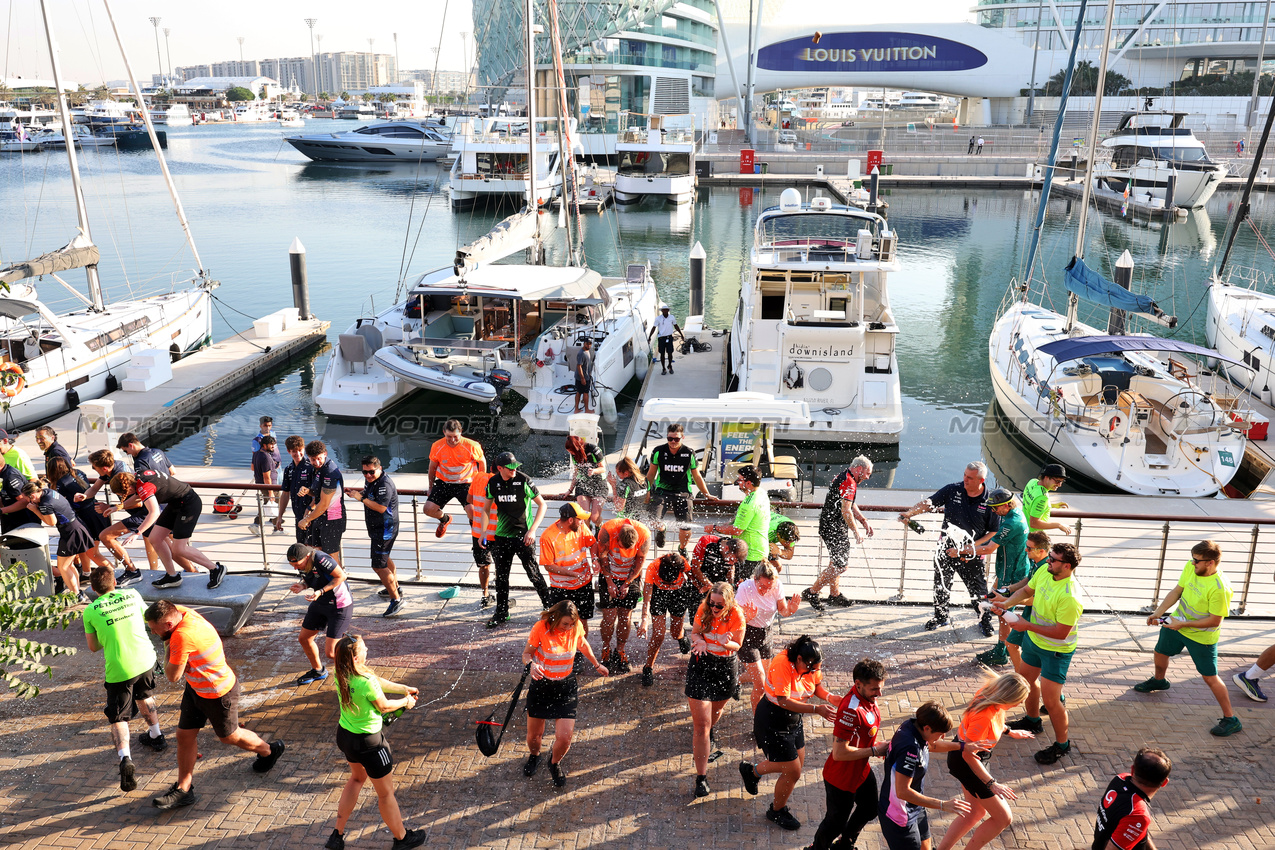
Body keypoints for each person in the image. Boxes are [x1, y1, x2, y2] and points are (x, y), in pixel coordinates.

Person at [144, 600, 285, 810]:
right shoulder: (181, 612)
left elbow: (172, 676)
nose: (154, 634)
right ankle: (184, 789)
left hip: (217, 693)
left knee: (230, 737)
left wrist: (166, 646)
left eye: (155, 630)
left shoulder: (181, 637)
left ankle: (269, 750)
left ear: (169, 626)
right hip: (196, 688)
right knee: (184, 735)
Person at [325, 634, 425, 850]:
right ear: (355, 658)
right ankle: (402, 839)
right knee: (386, 793)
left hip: (346, 736)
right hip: (370, 745)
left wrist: (402, 688)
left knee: (357, 778)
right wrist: (406, 702)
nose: (367, 649)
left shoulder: (340, 672)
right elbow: (384, 706)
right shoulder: (365, 682)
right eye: (364, 648)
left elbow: (375, 681)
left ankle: (337, 835)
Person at [1134, 539, 1241, 737]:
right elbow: (1177, 591)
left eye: (1197, 561)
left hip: (1201, 637)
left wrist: (1182, 624)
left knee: (1210, 678)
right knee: (1160, 652)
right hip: (1177, 623)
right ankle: (1159, 681)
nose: (1192, 563)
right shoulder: (1191, 567)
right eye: (1192, 559)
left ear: (1210, 562)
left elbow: (1215, 621)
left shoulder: (1220, 588)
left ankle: (1231, 719)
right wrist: (1159, 612)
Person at [738, 634, 841, 832]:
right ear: (799, 659)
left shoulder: (810, 664)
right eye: (810, 668)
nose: (813, 672)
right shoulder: (782, 663)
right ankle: (776, 810)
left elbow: (816, 686)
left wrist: (830, 697)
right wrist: (816, 709)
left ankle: (752, 772)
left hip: (794, 718)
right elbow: (784, 701)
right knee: (792, 770)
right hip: (773, 718)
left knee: (796, 766)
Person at [993, 542, 1083, 765]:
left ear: (1067, 566)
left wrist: (1026, 626)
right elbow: (1026, 591)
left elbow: (1061, 633)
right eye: (1050, 557)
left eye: (1053, 559)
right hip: (1034, 642)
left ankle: (1062, 745)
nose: (1048, 561)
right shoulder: (1045, 570)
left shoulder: (1070, 597)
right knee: (1026, 682)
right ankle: (1033, 721)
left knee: (1052, 702)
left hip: (1056, 651)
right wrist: (1005, 605)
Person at [83, 565, 162, 792]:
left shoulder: (90, 611)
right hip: (146, 658)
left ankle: (125, 758)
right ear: (114, 582)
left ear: (93, 588)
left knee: (118, 716)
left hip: (119, 668)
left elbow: (93, 647)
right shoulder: (132, 594)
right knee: (145, 695)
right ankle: (156, 736)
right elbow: (148, 619)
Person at [935, 672, 1034, 850]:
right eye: (1019, 700)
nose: (1020, 704)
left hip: (970, 759)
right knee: (1003, 818)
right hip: (968, 763)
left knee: (975, 812)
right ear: (1007, 697)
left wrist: (1010, 731)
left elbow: (996, 717)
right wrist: (992, 783)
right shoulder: (984, 717)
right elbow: (968, 754)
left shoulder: (988, 694)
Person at [899, 462, 1000, 634]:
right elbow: (929, 503)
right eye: (964, 475)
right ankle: (941, 617)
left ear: (981, 480)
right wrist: (910, 513)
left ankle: (985, 620)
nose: (965, 480)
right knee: (941, 585)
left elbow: (993, 531)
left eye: (970, 477)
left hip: (971, 553)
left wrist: (971, 546)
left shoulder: (990, 500)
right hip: (945, 549)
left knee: (978, 590)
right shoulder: (953, 489)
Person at [520, 600, 608, 787]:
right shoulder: (541, 628)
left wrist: (596, 664)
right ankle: (535, 755)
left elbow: (582, 645)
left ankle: (554, 763)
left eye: (571, 624)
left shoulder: (575, 627)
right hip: (541, 686)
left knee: (565, 737)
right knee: (534, 737)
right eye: (564, 624)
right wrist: (531, 665)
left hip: (566, 686)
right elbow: (526, 654)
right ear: (555, 618)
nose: (568, 628)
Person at [809, 658, 889, 850]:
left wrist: (875, 747)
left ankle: (845, 844)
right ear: (858, 685)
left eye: (880, 688)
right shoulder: (851, 710)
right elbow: (839, 753)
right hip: (841, 777)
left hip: (860, 770)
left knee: (870, 809)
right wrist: (873, 750)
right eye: (874, 689)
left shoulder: (867, 699)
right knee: (834, 823)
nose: (879, 693)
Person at [108, 468, 226, 591]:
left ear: (129, 489)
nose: (125, 497)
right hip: (176, 504)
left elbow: (154, 513)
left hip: (189, 505)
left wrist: (137, 532)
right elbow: (138, 496)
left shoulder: (144, 487)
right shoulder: (137, 477)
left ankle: (216, 568)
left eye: (124, 495)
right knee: (155, 538)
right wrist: (119, 507)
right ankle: (172, 576)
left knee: (179, 549)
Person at [877, 702, 971, 850]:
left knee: (925, 845)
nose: (943, 737)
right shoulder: (910, 747)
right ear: (927, 728)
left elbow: (931, 745)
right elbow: (902, 791)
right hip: (900, 816)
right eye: (940, 733)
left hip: (916, 807)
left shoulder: (913, 725)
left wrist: (961, 746)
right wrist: (942, 805)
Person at [686, 581, 746, 798]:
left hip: (725, 667)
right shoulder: (704, 608)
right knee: (701, 725)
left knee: (715, 713)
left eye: (719, 605)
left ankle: (709, 732)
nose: (714, 608)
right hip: (701, 663)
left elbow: (737, 645)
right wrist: (700, 641)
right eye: (712, 603)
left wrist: (723, 643)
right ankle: (701, 778)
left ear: (728, 603)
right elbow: (694, 633)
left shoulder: (737, 615)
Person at [483, 451, 549, 628]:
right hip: (502, 539)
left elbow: (543, 504)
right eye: (510, 468)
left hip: (524, 537)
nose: (514, 471)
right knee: (502, 578)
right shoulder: (493, 482)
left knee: (533, 574)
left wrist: (533, 531)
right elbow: (485, 509)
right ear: (500, 468)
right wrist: (484, 532)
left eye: (515, 467)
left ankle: (549, 608)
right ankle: (502, 611)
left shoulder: (523, 480)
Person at [971, 488, 1031, 667]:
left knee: (1003, 611)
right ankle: (1005, 647)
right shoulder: (1017, 512)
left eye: (995, 508)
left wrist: (962, 551)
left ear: (1006, 505)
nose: (993, 511)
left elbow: (989, 549)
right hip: (1014, 567)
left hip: (1011, 571)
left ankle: (1002, 651)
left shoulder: (1010, 523)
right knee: (1001, 607)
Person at [805, 457, 874, 611]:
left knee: (835, 562)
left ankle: (834, 595)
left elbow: (849, 502)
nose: (868, 477)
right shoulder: (849, 481)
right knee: (841, 565)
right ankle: (812, 592)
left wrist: (863, 521)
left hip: (831, 525)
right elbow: (846, 510)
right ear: (859, 469)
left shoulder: (846, 476)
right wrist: (857, 532)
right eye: (867, 473)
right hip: (833, 527)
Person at [24, 479, 108, 603]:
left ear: (32, 495)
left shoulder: (44, 504)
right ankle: (77, 591)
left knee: (63, 567)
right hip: (77, 526)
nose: (31, 502)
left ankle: (76, 595)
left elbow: (51, 522)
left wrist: (35, 510)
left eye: (30, 500)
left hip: (70, 533)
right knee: (68, 565)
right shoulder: (48, 492)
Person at [80, 449, 158, 580]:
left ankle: (132, 571)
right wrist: (84, 496)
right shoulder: (111, 468)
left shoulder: (121, 476)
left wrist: (111, 507)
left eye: (94, 467)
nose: (93, 469)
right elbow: (94, 488)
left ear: (104, 468)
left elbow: (138, 502)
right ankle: (155, 574)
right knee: (162, 545)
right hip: (145, 513)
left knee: (106, 536)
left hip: (144, 513)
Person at [737, 562, 801, 711]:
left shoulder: (777, 585)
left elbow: (783, 611)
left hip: (766, 634)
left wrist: (791, 610)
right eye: (763, 586)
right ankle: (758, 723)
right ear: (755, 579)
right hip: (747, 636)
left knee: (765, 677)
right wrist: (747, 617)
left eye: (769, 587)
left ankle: (735, 680)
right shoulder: (745, 588)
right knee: (760, 686)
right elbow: (735, 620)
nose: (766, 590)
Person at [287, 542, 353, 686]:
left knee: (331, 653)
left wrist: (321, 591)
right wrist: (303, 585)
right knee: (304, 638)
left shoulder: (322, 559)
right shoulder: (302, 563)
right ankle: (318, 670)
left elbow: (341, 576)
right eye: (293, 565)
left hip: (339, 605)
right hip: (320, 601)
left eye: (297, 564)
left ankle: (357, 668)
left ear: (307, 556)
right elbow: (312, 578)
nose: (295, 568)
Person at [594, 516, 651, 672]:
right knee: (609, 617)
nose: (625, 552)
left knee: (625, 616)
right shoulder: (607, 531)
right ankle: (606, 649)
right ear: (617, 537)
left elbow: (640, 561)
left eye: (629, 549)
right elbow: (602, 558)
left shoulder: (644, 535)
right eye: (621, 547)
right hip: (609, 574)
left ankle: (620, 650)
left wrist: (627, 583)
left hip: (630, 577)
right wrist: (610, 582)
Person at [348, 456, 402, 618]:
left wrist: (361, 498)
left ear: (380, 468)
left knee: (378, 566)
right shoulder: (372, 481)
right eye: (364, 472)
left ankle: (396, 600)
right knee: (384, 559)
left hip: (385, 529)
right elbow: (371, 494)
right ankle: (395, 587)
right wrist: (360, 493)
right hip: (378, 528)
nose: (368, 475)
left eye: (371, 472)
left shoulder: (384, 484)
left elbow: (381, 507)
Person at [47, 456, 115, 582]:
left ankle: (113, 575)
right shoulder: (79, 473)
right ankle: (87, 572)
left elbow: (62, 505)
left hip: (87, 518)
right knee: (85, 548)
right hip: (96, 511)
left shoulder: (61, 484)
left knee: (92, 552)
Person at [646, 424, 711, 556]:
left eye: (676, 439)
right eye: (670, 439)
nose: (673, 442)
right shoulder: (658, 451)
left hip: (683, 493)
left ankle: (682, 548)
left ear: (682, 437)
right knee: (654, 519)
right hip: (662, 491)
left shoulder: (689, 453)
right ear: (667, 437)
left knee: (685, 528)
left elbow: (697, 476)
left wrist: (706, 494)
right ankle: (662, 529)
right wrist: (646, 492)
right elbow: (651, 475)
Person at [1091, 748, 1172, 850]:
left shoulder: (1120, 779)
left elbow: (1140, 830)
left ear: (1132, 770)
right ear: (1165, 783)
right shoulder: (1138, 814)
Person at [637, 552, 697, 686]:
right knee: (658, 634)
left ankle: (681, 636)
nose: (668, 584)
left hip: (678, 594)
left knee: (675, 633)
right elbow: (647, 598)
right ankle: (648, 667)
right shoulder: (653, 567)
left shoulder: (681, 562)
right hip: (659, 595)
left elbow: (693, 578)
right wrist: (644, 620)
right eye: (665, 581)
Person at [1000, 530, 1051, 673]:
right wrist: (1009, 589)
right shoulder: (1037, 563)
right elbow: (1028, 581)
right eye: (1026, 546)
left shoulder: (1045, 569)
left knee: (1034, 653)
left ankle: (1025, 678)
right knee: (1011, 643)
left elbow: (1035, 601)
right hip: (1030, 613)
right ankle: (1021, 676)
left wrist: (1008, 600)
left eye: (1029, 548)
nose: (1025, 550)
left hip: (1038, 615)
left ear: (1041, 551)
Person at [540, 502, 597, 629]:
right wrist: (573, 574)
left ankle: (579, 649)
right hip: (561, 588)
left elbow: (593, 544)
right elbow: (548, 565)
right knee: (558, 623)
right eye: (580, 519)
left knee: (582, 622)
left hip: (584, 584)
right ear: (571, 520)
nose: (583, 522)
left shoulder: (581, 527)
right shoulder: (548, 536)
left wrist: (595, 560)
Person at [424, 419, 484, 538]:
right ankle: (445, 519)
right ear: (444, 433)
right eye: (449, 436)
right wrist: (430, 487)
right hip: (444, 483)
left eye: (455, 436)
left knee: (473, 512)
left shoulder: (471, 445)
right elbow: (432, 468)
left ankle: (476, 535)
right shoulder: (437, 446)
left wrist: (481, 484)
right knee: (428, 509)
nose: (452, 440)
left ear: (461, 432)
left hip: (466, 483)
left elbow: (482, 462)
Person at [706, 465, 769, 579]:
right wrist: (729, 523)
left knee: (741, 587)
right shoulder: (761, 493)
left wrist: (715, 528)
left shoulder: (749, 504)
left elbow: (737, 530)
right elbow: (744, 520)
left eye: (740, 480)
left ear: (748, 483)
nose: (737, 482)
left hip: (749, 554)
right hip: (760, 550)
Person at [298, 440, 347, 562]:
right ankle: (322, 581)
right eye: (313, 459)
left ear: (325, 453)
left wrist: (306, 519)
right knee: (317, 552)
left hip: (333, 519)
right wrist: (308, 491)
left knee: (331, 557)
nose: (317, 462)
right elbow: (318, 495)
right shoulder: (318, 469)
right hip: (320, 516)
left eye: (319, 458)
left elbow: (324, 504)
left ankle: (340, 581)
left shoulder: (330, 471)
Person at [468, 460, 498, 607]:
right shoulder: (503, 484)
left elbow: (468, 500)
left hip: (480, 533)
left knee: (483, 565)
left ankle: (485, 594)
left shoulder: (478, 477)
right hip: (498, 532)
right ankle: (501, 594)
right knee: (501, 564)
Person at [273, 435, 312, 541]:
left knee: (315, 550)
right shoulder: (288, 469)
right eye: (294, 451)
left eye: (300, 450)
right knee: (301, 548)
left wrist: (310, 512)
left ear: (304, 448)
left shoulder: (311, 467)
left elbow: (318, 493)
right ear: (288, 451)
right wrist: (280, 516)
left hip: (312, 516)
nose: (298, 454)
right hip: (298, 516)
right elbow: (285, 494)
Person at [565, 436, 608, 530]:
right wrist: (570, 490)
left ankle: (598, 527)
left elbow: (603, 468)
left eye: (572, 452)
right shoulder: (574, 455)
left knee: (594, 517)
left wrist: (594, 471)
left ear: (577, 448)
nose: (571, 454)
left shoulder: (593, 449)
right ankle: (588, 538)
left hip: (599, 484)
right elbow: (576, 472)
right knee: (584, 517)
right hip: (583, 484)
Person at [1022, 464, 1071, 535]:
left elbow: (1032, 503)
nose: (1060, 485)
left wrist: (1052, 505)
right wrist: (1058, 525)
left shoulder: (1032, 482)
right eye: (1057, 481)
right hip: (1035, 537)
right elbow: (1034, 523)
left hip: (1024, 529)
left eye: (1062, 481)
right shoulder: (1042, 497)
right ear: (1047, 477)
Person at [0, 451, 30, 535]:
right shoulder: (2, 473)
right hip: (9, 517)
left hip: (22, 521)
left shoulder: (10, 477)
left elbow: (24, 501)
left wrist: (1, 510)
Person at [649, 305, 681, 375]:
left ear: (668, 310)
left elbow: (676, 326)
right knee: (662, 354)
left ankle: (670, 365)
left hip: (669, 337)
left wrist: (681, 334)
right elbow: (654, 327)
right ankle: (663, 368)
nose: (665, 311)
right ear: (662, 311)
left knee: (670, 353)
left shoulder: (671, 317)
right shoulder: (658, 318)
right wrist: (650, 336)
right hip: (661, 338)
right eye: (664, 310)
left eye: (666, 310)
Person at [252, 434, 280, 506]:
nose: (273, 446)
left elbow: (253, 468)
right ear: (264, 445)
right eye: (271, 444)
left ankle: (259, 517)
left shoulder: (256, 453)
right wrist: (270, 492)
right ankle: (276, 518)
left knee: (267, 505)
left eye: (273, 444)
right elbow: (266, 477)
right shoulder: (266, 457)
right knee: (276, 506)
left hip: (261, 484)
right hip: (270, 487)